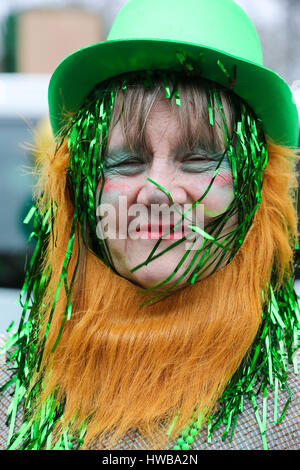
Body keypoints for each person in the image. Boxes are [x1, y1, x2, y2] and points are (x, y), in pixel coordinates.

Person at [0, 0, 299, 451]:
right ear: (82, 191)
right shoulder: (14, 392)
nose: (158, 190)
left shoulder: (288, 397)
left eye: (198, 159)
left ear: (256, 191)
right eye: (125, 161)